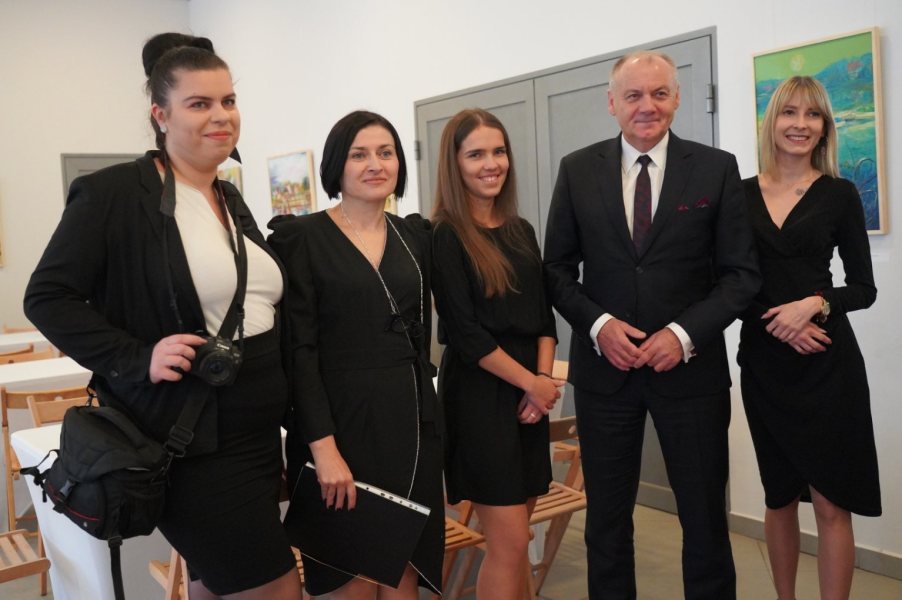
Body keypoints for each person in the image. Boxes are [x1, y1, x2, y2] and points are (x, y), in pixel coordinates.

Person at [23, 33, 301, 599]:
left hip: (254, 435)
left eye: (228, 101)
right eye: (199, 103)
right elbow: (47, 296)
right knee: (274, 587)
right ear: (161, 114)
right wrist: (137, 357)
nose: (220, 115)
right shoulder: (114, 194)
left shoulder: (229, 197)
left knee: (213, 583)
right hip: (191, 439)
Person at [543, 50, 761, 600]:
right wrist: (599, 326)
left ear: (677, 98)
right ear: (611, 103)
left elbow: (740, 276)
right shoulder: (577, 169)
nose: (648, 106)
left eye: (660, 93)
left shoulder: (715, 168)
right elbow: (556, 270)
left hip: (690, 375)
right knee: (607, 522)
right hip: (604, 376)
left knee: (704, 520)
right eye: (634, 95)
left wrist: (682, 335)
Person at [268, 110, 443, 599]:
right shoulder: (301, 238)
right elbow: (299, 353)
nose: (375, 164)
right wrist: (322, 449)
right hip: (339, 425)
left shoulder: (413, 236)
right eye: (359, 154)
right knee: (352, 579)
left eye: (386, 153)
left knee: (404, 573)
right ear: (336, 166)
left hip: (410, 423)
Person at [739, 75, 880, 600]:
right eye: (789, 112)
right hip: (764, 364)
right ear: (771, 122)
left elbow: (863, 288)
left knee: (830, 501)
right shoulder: (739, 194)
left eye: (813, 114)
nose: (800, 124)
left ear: (824, 127)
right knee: (778, 497)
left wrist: (813, 306)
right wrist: (777, 324)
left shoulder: (840, 194)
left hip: (827, 365)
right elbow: (728, 284)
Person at [431, 109, 562, 599]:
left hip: (529, 398)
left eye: (499, 151)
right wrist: (533, 384)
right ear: (454, 164)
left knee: (518, 541)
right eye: (476, 154)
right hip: (480, 398)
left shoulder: (521, 229)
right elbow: (466, 334)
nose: (492, 164)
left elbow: (545, 320)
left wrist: (541, 385)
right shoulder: (444, 234)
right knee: (509, 545)